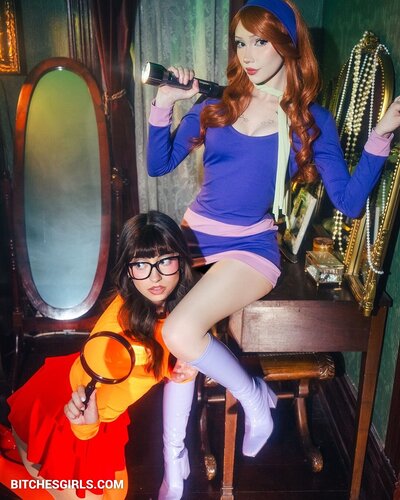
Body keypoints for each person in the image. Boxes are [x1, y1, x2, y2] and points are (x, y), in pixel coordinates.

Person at [146, 0, 400, 469]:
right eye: (240, 42)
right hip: (193, 236)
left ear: (287, 43)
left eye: (260, 41)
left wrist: (380, 136)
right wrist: (163, 104)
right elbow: (158, 164)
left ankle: (255, 398)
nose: (247, 54)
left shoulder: (311, 121)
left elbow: (348, 201)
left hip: (250, 245)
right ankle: (175, 463)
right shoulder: (217, 102)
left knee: (181, 330)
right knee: (173, 341)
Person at [1, 211, 198, 500]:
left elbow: (158, 352)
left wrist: (172, 368)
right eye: (140, 264)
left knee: (114, 494)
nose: (155, 277)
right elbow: (85, 392)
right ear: (128, 270)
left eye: (165, 261)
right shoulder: (116, 330)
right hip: (64, 411)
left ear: (181, 260)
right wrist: (86, 428)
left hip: (101, 416)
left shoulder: (178, 307)